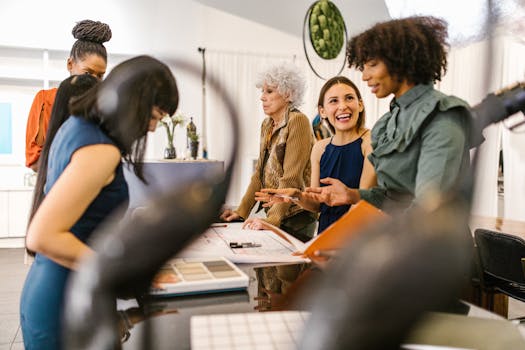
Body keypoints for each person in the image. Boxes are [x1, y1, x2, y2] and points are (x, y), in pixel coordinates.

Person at [20, 55, 179, 349]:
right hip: (62, 298)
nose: (153, 128)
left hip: (56, 289)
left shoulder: (77, 127)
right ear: (133, 103)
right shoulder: (101, 149)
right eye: (154, 116)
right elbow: (42, 235)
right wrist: (123, 270)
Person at [305, 16, 472, 214]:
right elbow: (392, 196)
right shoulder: (390, 122)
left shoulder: (442, 116)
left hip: (433, 243)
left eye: (373, 64)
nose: (365, 76)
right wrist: (354, 195)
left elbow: (427, 209)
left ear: (401, 61)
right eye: (363, 67)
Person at [256, 76, 376, 234]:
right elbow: (317, 204)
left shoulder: (371, 142)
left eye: (349, 98)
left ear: (360, 105)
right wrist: (296, 195)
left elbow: (362, 204)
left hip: (356, 238)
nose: (343, 106)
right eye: (334, 101)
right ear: (322, 112)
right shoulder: (320, 148)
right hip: (326, 236)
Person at [219, 62, 316, 242]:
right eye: (262, 91)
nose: (262, 97)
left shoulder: (298, 121)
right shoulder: (267, 125)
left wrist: (272, 220)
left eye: (269, 91)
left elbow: (291, 178)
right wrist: (241, 212)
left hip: (297, 217)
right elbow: (259, 175)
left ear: (288, 94)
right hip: (276, 213)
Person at [25, 19, 112, 172]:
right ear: (70, 64)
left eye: (100, 75)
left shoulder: (105, 106)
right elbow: (34, 161)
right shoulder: (47, 101)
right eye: (88, 73)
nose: (93, 81)